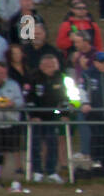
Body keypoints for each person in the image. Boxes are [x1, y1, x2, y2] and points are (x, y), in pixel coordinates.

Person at [25, 52, 70, 183]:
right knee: (36, 145)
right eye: (51, 65)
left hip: (52, 117)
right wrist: (33, 115)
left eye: (55, 65)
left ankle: (51, 171)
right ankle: (37, 171)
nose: (54, 68)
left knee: (52, 144)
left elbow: (64, 97)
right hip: (37, 118)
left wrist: (65, 114)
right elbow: (29, 97)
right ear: (43, 66)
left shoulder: (60, 78)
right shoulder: (34, 78)